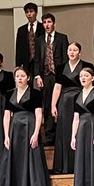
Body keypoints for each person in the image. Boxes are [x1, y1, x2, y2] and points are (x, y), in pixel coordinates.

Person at [0, 66, 52, 186]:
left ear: (28, 78)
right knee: (13, 161)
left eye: (22, 76)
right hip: (14, 131)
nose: (19, 78)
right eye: (17, 76)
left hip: (30, 128)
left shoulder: (35, 94)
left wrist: (36, 133)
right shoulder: (9, 94)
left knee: (32, 161)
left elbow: (39, 115)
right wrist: (6, 135)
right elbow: (6, 116)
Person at [51, 41, 85, 174]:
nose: (72, 52)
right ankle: (65, 166)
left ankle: (79, 163)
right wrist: (53, 104)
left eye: (75, 50)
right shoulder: (60, 67)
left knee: (78, 130)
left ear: (79, 52)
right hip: (64, 102)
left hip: (79, 99)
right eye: (70, 50)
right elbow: (57, 87)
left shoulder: (86, 66)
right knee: (65, 132)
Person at [34, 13, 68, 142]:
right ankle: (49, 135)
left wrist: (64, 76)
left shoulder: (62, 38)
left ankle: (62, 133)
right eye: (44, 22)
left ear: (54, 23)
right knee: (47, 105)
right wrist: (38, 76)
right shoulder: (39, 40)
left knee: (60, 104)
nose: (47, 25)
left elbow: (65, 59)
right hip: (45, 76)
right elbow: (37, 60)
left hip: (58, 75)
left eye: (49, 22)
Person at [13, 2, 40, 79]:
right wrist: (18, 66)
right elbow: (18, 48)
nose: (29, 14)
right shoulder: (21, 30)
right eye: (27, 12)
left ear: (36, 12)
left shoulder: (42, 27)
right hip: (26, 62)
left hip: (39, 62)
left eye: (31, 11)